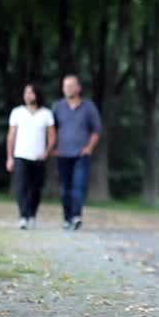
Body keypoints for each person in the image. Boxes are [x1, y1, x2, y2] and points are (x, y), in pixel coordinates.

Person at [52, 75, 102, 230]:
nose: (67, 88)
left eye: (71, 85)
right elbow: (51, 129)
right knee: (65, 188)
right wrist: (52, 147)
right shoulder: (58, 107)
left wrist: (89, 148)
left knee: (79, 185)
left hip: (81, 154)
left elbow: (97, 130)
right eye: (65, 86)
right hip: (63, 154)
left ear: (78, 88)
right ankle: (67, 218)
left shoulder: (88, 107)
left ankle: (76, 216)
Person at [6, 83, 56, 229]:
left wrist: (46, 152)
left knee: (36, 188)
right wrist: (9, 157)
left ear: (37, 95)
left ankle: (32, 215)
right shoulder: (17, 112)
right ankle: (23, 216)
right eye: (26, 93)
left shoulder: (46, 114)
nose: (28, 96)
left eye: (31, 93)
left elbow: (52, 135)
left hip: (38, 157)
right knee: (21, 187)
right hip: (21, 155)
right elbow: (11, 136)